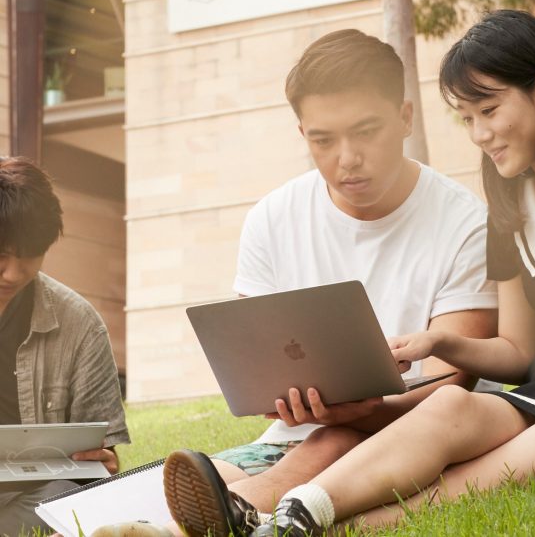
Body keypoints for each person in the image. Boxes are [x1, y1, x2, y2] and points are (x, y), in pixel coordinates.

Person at [159, 10, 535, 536]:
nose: (480, 135)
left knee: (461, 484)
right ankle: (289, 511)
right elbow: (516, 348)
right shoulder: (509, 196)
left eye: (489, 110)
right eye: (467, 119)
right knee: (448, 406)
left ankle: (286, 525)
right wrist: (441, 341)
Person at [93, 29, 497, 537]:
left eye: (365, 131)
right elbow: (258, 362)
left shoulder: (466, 224)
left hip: (411, 435)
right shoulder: (273, 218)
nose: (346, 157)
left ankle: (193, 529)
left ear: (405, 118)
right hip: (294, 437)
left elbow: (450, 381)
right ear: (302, 132)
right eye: (322, 140)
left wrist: (366, 409)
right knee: (178, 482)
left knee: (334, 441)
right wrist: (280, 393)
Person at [0, 157, 129, 536]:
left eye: (29, 257)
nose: (13, 273)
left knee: (83, 502)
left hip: (36, 498)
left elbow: (104, 460)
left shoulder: (79, 323)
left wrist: (103, 460)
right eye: (1, 255)